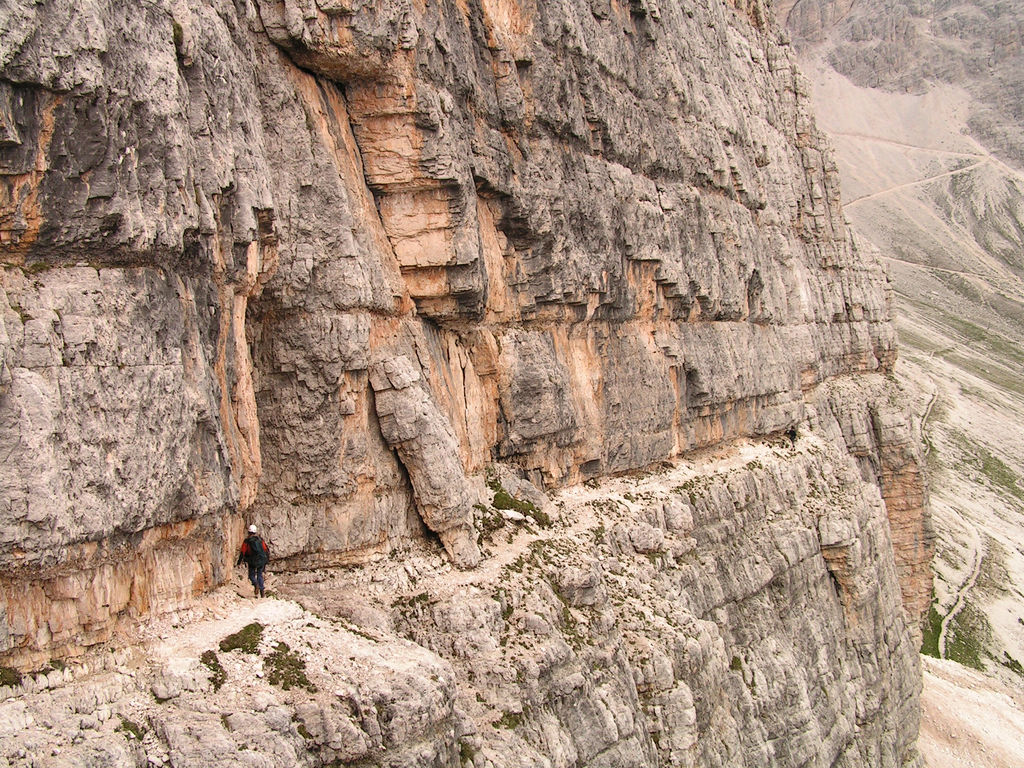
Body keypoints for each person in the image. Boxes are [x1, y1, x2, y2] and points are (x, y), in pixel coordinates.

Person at [237, 524, 269, 597]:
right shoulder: (260, 540)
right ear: (255, 532)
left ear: (248, 532)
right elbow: (266, 550)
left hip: (252, 561)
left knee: (251, 575)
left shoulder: (247, 541)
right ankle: (262, 591)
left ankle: (255, 584)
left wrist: (239, 562)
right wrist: (266, 560)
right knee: (260, 574)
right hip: (261, 560)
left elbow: (242, 552)